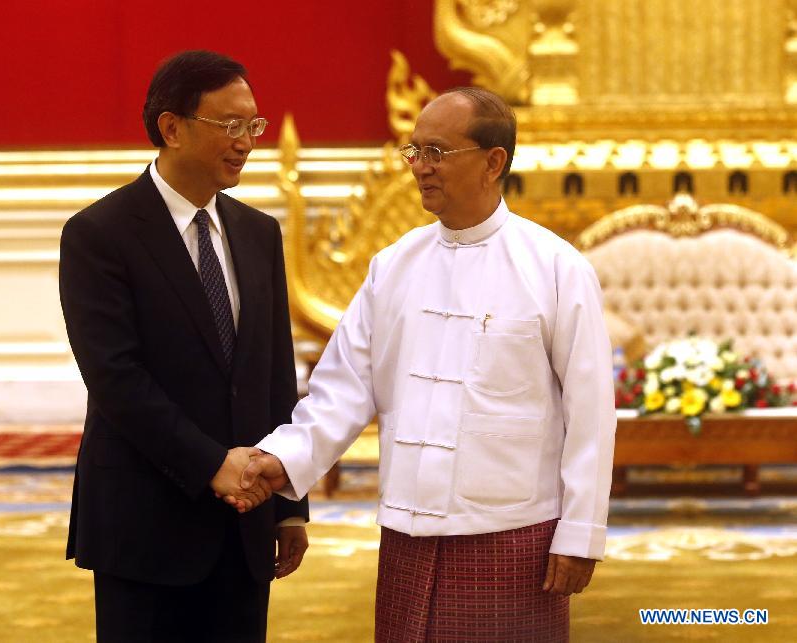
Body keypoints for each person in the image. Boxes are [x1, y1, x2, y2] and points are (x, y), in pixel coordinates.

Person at [238, 87, 615, 642]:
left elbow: (590, 414)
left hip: (514, 534)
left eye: (436, 152)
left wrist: (580, 534)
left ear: (494, 162)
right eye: (413, 152)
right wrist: (283, 462)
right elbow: (343, 387)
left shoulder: (557, 268)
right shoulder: (393, 266)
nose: (419, 168)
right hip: (406, 531)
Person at [59, 50, 308, 642]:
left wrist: (288, 500)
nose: (246, 141)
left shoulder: (258, 232)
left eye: (253, 126)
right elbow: (116, 379)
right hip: (144, 523)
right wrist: (211, 464)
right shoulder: (100, 233)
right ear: (171, 128)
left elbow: (274, 373)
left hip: (244, 523)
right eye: (230, 125)